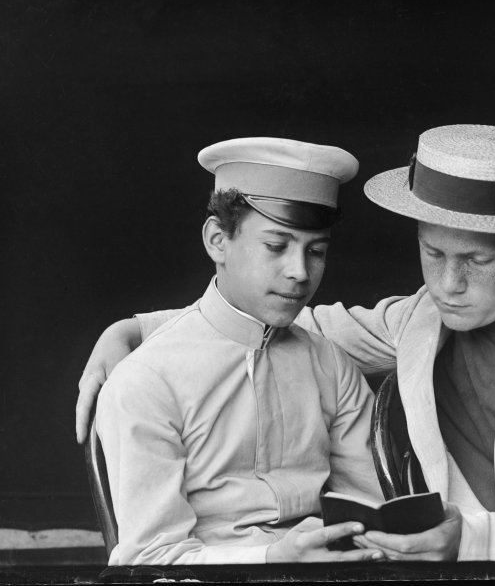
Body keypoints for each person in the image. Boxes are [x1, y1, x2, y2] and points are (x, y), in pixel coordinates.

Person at [78, 125, 495, 562]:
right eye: (433, 254)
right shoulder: (419, 319)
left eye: (477, 261)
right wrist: (133, 331)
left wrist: (469, 538)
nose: (449, 285)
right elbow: (277, 322)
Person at [91, 137, 388, 565]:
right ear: (217, 240)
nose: (300, 272)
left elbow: (372, 513)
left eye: (316, 251)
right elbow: (152, 558)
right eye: (276, 246)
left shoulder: (331, 365)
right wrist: (272, 560)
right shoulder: (146, 379)